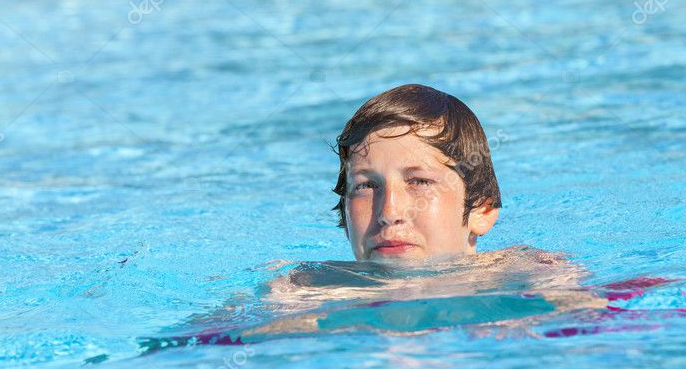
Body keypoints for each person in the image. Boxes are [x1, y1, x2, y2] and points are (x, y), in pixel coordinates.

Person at [243, 84, 606, 339]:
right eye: (366, 186)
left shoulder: (526, 272)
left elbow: (591, 326)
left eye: (419, 181)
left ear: (480, 210)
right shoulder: (305, 287)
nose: (390, 212)